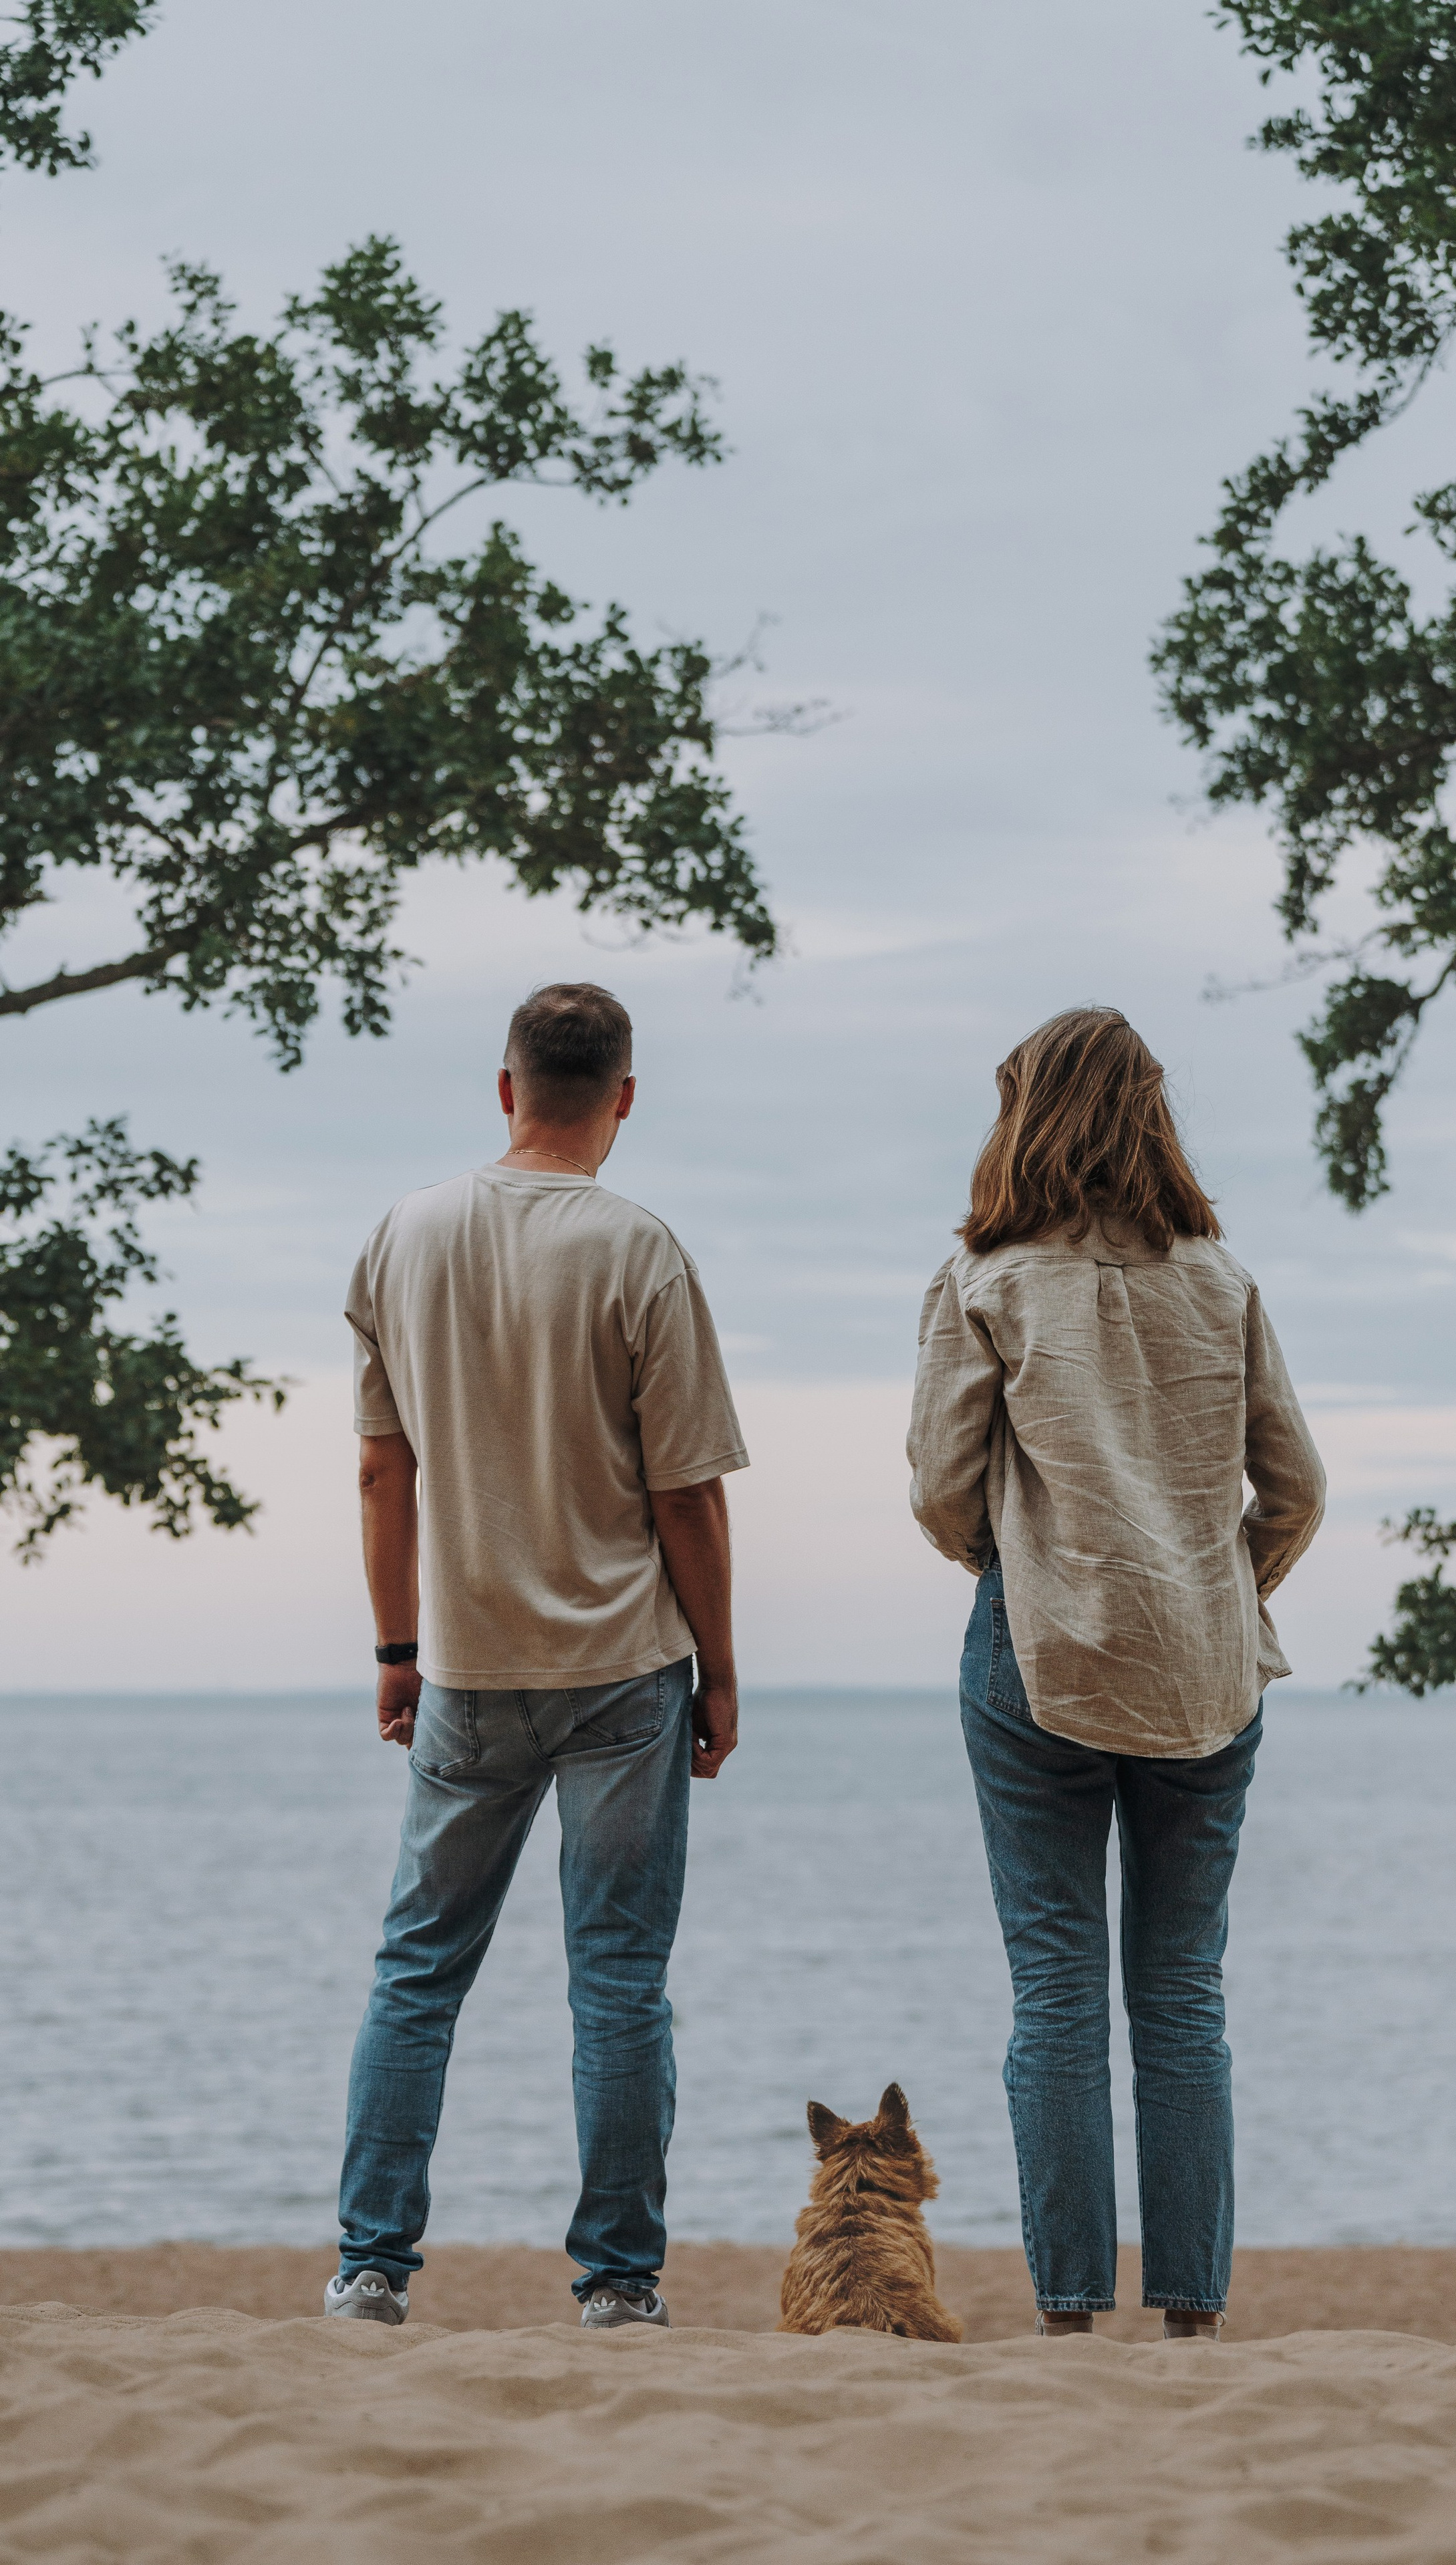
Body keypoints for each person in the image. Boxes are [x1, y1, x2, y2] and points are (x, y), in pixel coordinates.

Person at [325, 982, 748, 2332]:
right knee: (617, 1978)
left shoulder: (403, 1233)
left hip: (464, 1660)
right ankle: (618, 2282)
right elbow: (687, 1494)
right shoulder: (641, 1250)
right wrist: (720, 1668)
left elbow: (381, 1468)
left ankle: (371, 2264)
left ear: (505, 1087)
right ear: (621, 1095)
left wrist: (396, 1645)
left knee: (416, 1969)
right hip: (625, 1666)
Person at [907, 1006, 1324, 2342]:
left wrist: (1024, 1566)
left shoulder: (985, 1279)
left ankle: (1069, 2312)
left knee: (1055, 1988)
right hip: (1202, 1665)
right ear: (1153, 1113)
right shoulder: (1221, 1278)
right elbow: (1296, 1487)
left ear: (1017, 1113)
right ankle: (1192, 2313)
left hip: (1037, 1656)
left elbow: (937, 1489)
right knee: (1182, 1990)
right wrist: (1216, 1589)